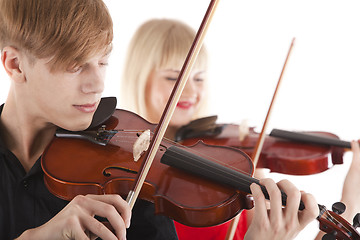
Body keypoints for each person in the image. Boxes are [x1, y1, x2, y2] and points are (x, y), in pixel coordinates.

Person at [120, 18, 319, 240]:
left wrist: (350, 195)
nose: (191, 90)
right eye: (173, 77)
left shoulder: (235, 158)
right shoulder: (122, 172)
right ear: (139, 78)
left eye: (199, 78)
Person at [0, 1, 178, 239]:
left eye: (102, 62)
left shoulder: (124, 173)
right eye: (75, 66)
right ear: (16, 65)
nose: (98, 85)